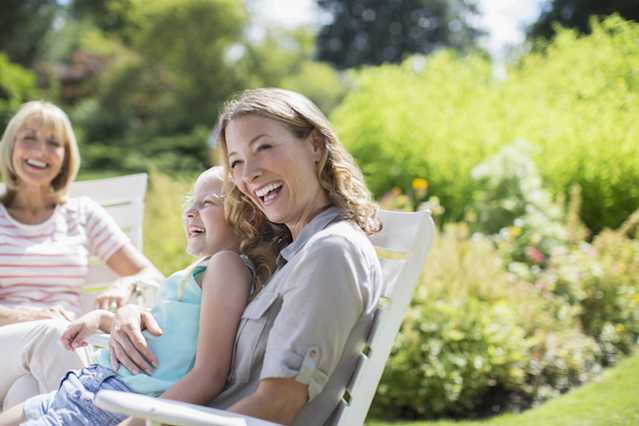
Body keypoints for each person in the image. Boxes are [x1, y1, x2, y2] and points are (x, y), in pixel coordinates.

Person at [108, 88, 384, 426]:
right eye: (236, 162)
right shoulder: (287, 256)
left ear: (315, 145)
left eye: (264, 147)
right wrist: (133, 312)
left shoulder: (329, 252)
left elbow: (277, 405)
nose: (248, 174)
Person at [0, 166, 272, 426]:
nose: (190, 212)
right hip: (89, 385)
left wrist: (138, 422)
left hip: (116, 399)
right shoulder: (207, 269)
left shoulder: (227, 265)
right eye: (191, 202)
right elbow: (162, 333)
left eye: (207, 203)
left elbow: (209, 375)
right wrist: (104, 319)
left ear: (246, 217)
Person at [0, 101, 163, 409]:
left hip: (55, 354)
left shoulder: (82, 213)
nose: (40, 150)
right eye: (30, 138)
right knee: (52, 334)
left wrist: (122, 284)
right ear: (11, 146)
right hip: (12, 343)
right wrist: (28, 316)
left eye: (53, 142)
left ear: (65, 156)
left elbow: (150, 274)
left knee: (26, 394)